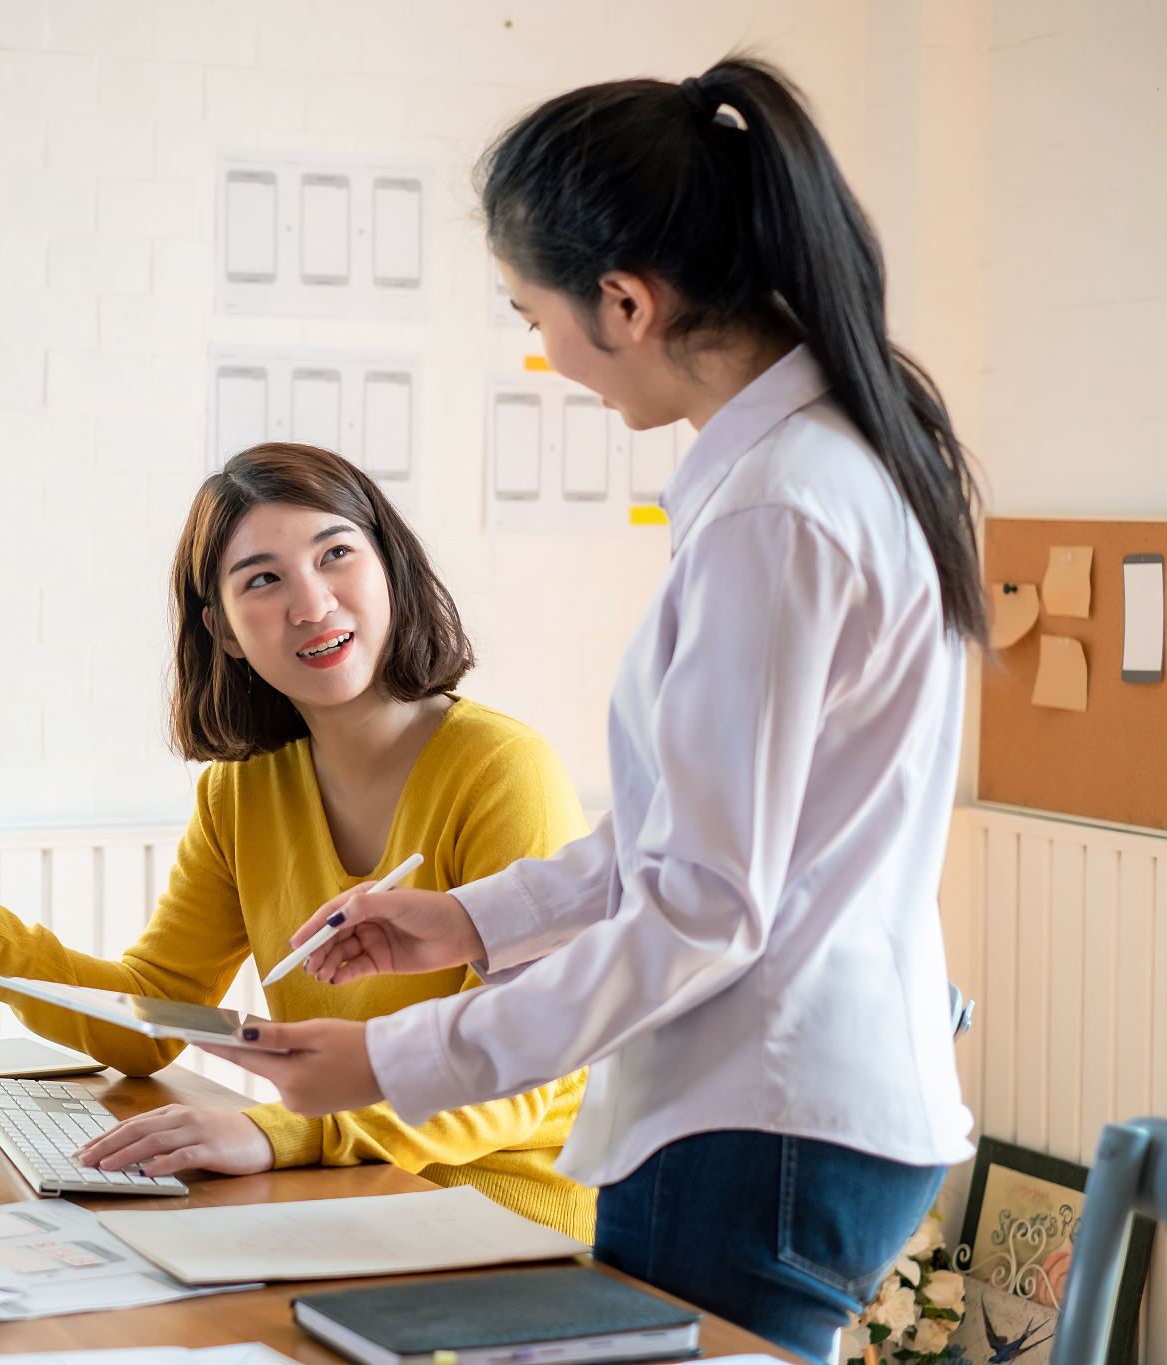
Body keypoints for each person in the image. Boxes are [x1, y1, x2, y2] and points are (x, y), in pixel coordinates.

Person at [214, 59, 983, 1365]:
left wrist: (390, 1061)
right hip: (803, 1115)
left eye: (539, 316)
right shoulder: (822, 468)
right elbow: (693, 841)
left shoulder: (778, 510)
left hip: (760, 1125)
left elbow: (704, 906)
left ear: (625, 302)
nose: (545, 356)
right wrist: (468, 918)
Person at [0, 443, 597, 1237]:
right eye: (264, 579)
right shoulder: (242, 789)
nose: (312, 605)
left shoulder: (502, 769)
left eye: (337, 553)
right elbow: (155, 1014)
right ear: (226, 631)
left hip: (509, 1220)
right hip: (349, 1198)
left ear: (390, 566)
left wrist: (278, 1132)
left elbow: (526, 1068)